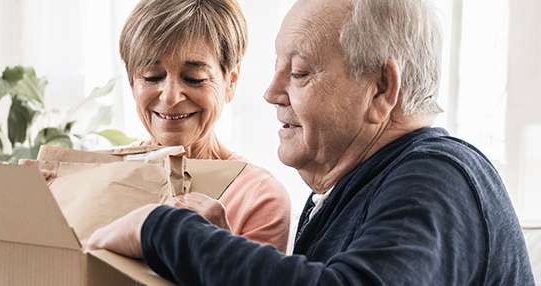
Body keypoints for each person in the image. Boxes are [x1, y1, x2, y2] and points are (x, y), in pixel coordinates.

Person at [86, 0, 535, 284]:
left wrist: (163, 230)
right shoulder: (356, 190)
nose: (271, 91)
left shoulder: (437, 175)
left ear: (380, 88)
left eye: (299, 72)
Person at [112, 0, 292, 249]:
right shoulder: (106, 176)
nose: (171, 97)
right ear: (132, 83)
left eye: (194, 79)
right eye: (152, 76)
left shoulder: (257, 197)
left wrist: (220, 250)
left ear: (231, 81)